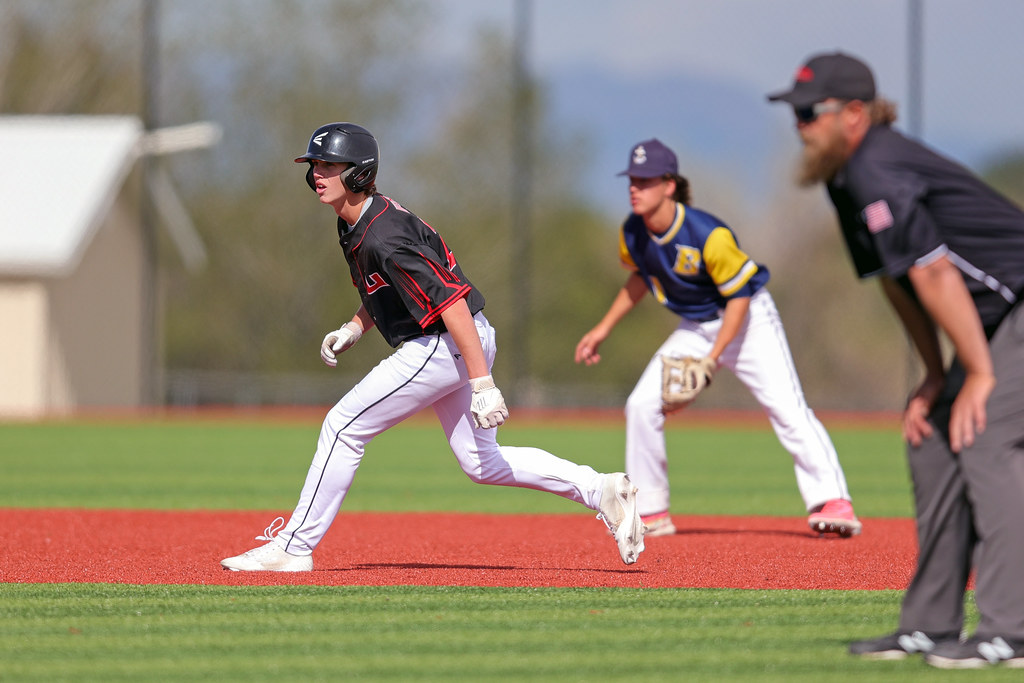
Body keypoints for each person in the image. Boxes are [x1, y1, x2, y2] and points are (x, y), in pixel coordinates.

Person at [221, 122, 645, 571]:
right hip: (459, 337)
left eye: (330, 165)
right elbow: (390, 291)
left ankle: (295, 546)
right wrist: (355, 326)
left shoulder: (385, 235)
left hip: (445, 340)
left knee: (343, 427)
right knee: (481, 463)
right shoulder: (365, 219)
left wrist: (483, 382)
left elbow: (450, 302)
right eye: (315, 165)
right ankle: (600, 489)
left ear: (359, 172)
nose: (318, 173)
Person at [768, 51, 1024, 669]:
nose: (800, 124)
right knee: (932, 439)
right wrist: (936, 376)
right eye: (795, 113)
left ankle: (1012, 631)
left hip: (1016, 314)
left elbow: (935, 271)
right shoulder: (845, 176)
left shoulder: (877, 164)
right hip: (991, 326)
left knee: (985, 438)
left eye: (811, 112)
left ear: (854, 114)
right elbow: (896, 279)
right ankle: (931, 624)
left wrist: (980, 376)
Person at [574, 138, 859, 540]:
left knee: (786, 407)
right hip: (696, 325)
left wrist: (713, 359)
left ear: (670, 185)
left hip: (749, 320)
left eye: (646, 180)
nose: (635, 187)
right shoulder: (632, 233)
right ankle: (651, 511)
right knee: (640, 405)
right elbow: (640, 275)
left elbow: (739, 297)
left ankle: (833, 501)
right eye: (632, 179)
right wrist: (603, 328)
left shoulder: (707, 234)